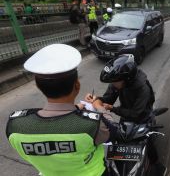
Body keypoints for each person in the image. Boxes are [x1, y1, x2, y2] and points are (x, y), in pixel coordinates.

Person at [6, 44, 120, 176]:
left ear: (38, 85)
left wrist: (76, 109)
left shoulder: (15, 126)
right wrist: (99, 106)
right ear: (77, 85)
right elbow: (113, 132)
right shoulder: (91, 124)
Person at [85, 54, 155, 123]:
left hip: (142, 117)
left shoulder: (143, 89)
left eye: (115, 82)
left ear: (127, 79)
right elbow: (108, 99)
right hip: (125, 115)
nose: (113, 84)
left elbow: (135, 113)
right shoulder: (118, 82)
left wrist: (113, 108)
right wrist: (96, 99)